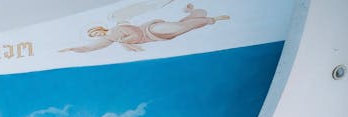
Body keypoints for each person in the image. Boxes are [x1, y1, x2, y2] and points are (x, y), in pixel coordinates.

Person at [60, 4, 229, 53]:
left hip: (149, 28)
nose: (95, 35)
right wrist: (72, 48)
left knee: (178, 26)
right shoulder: (111, 39)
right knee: (182, 29)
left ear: (99, 28)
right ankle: (202, 17)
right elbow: (91, 47)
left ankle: (202, 16)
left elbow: (138, 9)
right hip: (148, 37)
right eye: (93, 35)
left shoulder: (117, 23)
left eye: (94, 32)